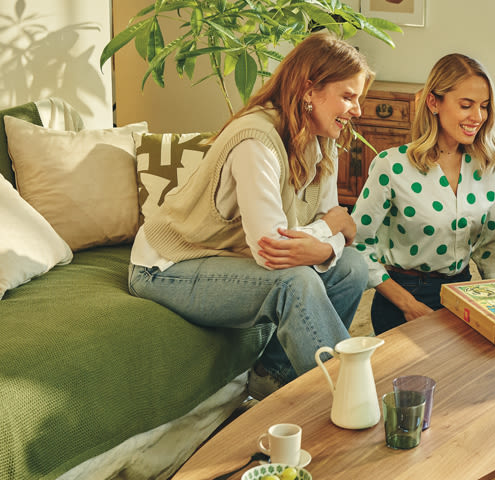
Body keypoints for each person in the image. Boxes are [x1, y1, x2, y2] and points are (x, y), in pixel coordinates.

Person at [127, 32, 370, 400]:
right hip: (167, 266)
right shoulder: (255, 140)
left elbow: (331, 217)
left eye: (358, 98)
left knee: (352, 267)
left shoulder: (324, 139)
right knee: (296, 283)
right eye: (348, 97)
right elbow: (272, 249)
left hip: (225, 259)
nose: (358, 110)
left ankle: (272, 377)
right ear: (309, 90)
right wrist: (331, 233)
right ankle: (350, 399)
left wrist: (326, 245)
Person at [350, 53, 495, 335]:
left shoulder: (485, 164)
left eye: (484, 106)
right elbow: (358, 245)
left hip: (462, 293)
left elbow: (491, 245)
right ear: (434, 102)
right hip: (403, 297)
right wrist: (408, 304)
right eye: (466, 105)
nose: (478, 117)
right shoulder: (392, 165)